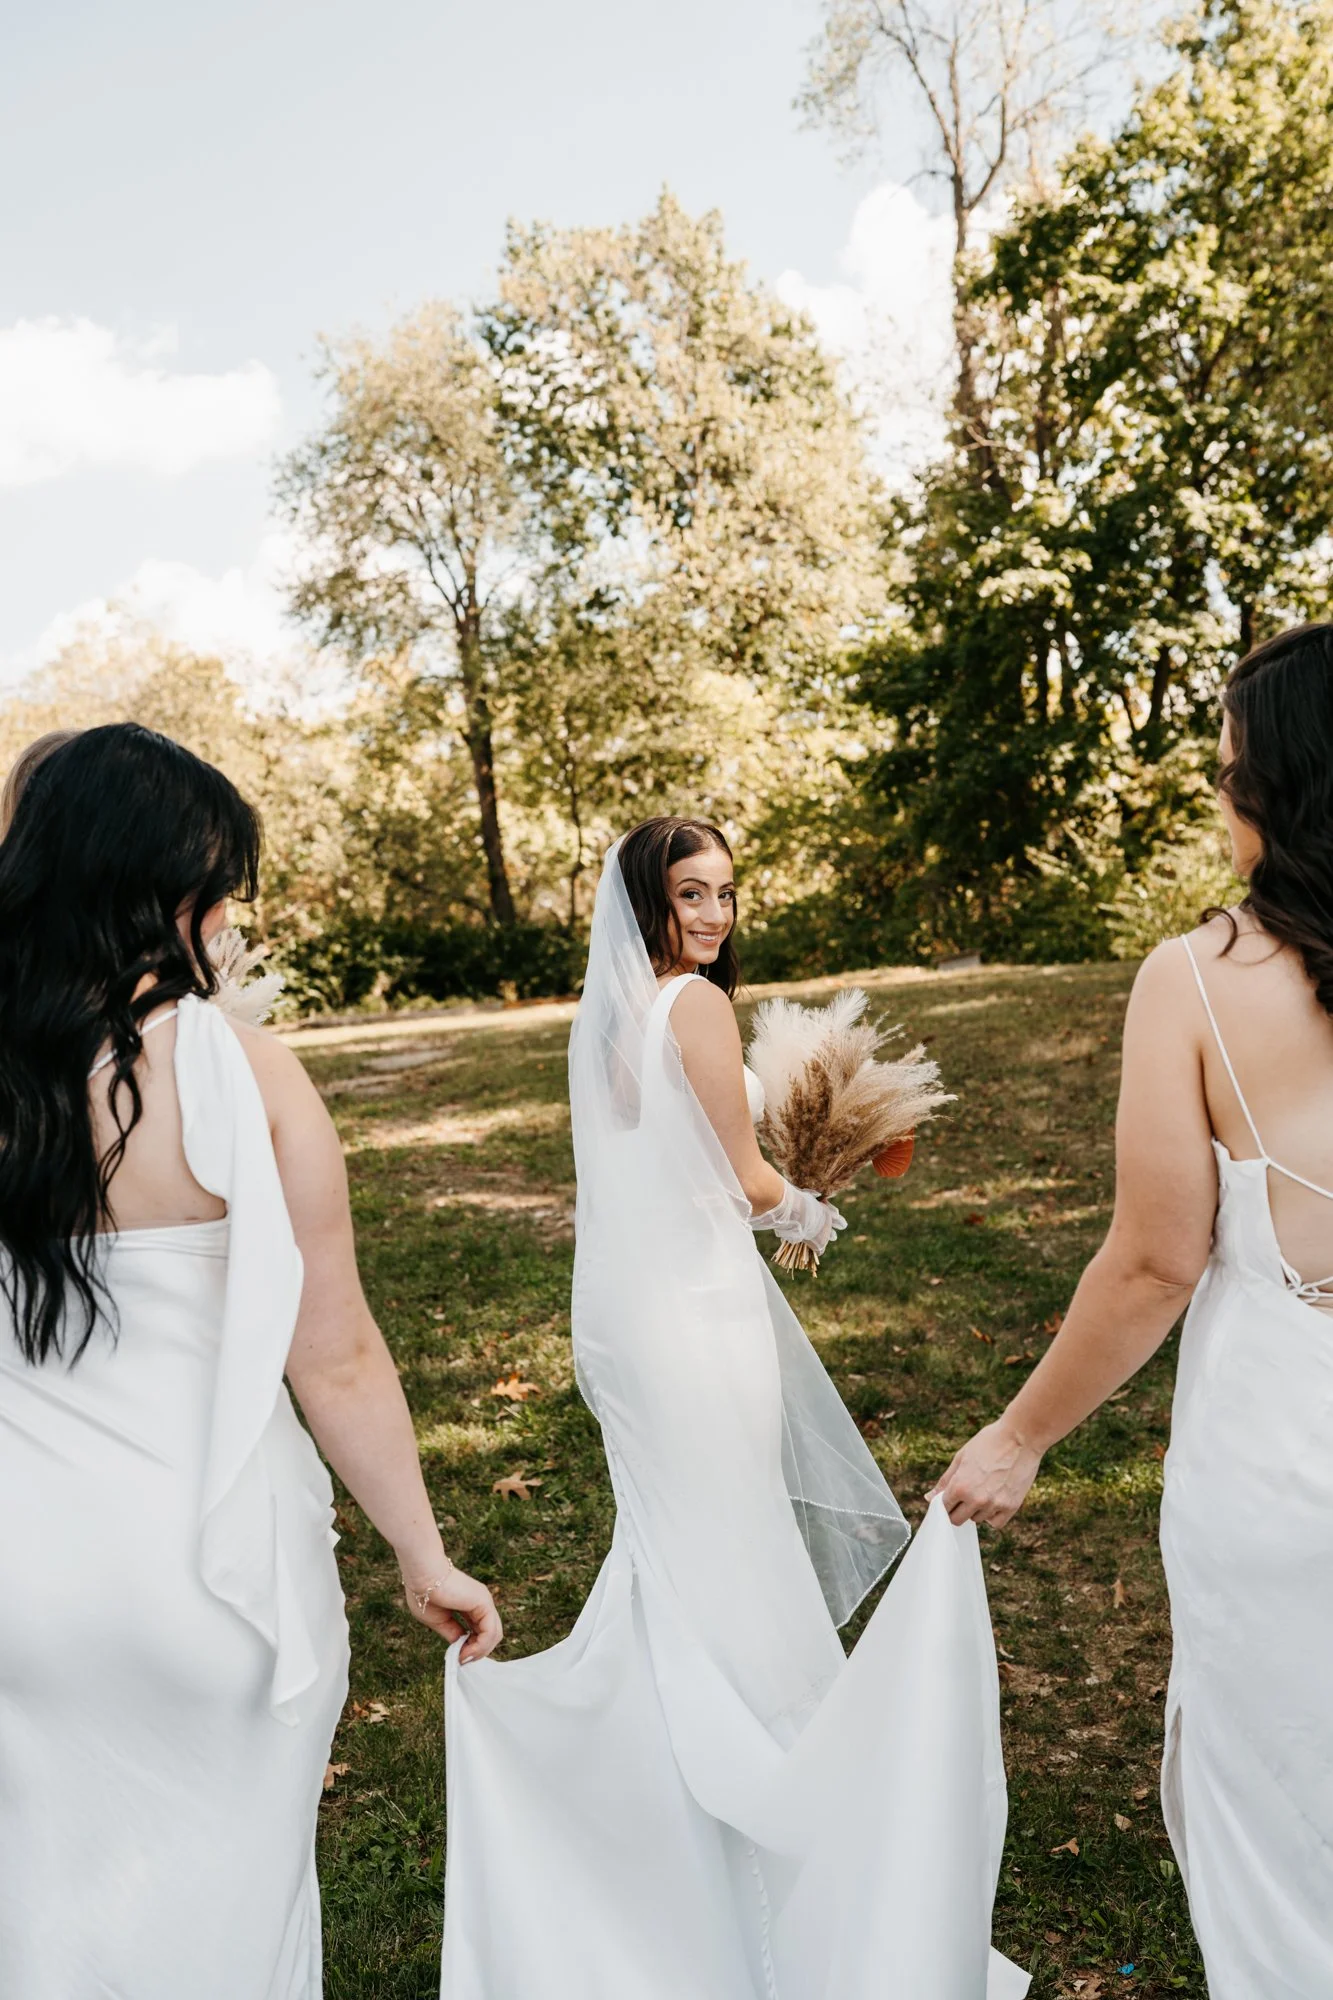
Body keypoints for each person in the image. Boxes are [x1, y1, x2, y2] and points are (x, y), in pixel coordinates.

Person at [442, 815, 1030, 1999]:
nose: (711, 915)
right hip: (695, 1317)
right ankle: (767, 1808)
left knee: (680, 1549)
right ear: (643, 902)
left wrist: (773, 1197)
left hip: (626, 1313)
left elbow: (666, 1161)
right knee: (731, 1543)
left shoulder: (607, 1011)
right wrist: (812, 1212)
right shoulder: (695, 1007)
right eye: (687, 893)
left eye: (723, 892)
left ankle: (671, 1818)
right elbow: (746, 1174)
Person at [0, 723, 501, 2000]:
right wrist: (422, 1550)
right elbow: (332, 1352)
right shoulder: (245, 1070)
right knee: (232, 1919)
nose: (220, 919)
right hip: (217, 1589)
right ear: (156, 892)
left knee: (42, 1909)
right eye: (208, 888)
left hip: (26, 1585)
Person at [935, 623, 1333, 1999]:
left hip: (1282, 1478)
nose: (1219, 794)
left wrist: (1017, 1437)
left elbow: (1155, 1262)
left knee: (1282, 1833)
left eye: (1230, 768)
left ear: (1280, 788)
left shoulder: (1197, 981)